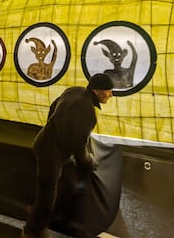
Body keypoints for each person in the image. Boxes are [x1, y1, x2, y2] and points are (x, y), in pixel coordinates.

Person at [21, 73, 114, 238]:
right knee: (47, 193)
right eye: (108, 91)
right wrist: (89, 162)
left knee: (68, 184)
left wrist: (53, 127)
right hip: (51, 153)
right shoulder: (87, 112)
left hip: (47, 144)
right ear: (97, 90)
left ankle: (43, 214)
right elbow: (79, 146)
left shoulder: (74, 90)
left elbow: (53, 107)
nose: (111, 95)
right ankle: (32, 231)